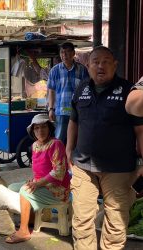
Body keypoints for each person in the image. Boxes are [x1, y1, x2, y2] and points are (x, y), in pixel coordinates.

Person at [66, 46, 143, 250]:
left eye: (106, 61)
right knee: (81, 219)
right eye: (96, 62)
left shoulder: (129, 91)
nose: (101, 66)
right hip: (83, 165)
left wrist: (142, 161)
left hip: (118, 168)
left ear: (114, 65)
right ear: (88, 65)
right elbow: (74, 121)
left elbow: (140, 130)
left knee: (115, 222)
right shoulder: (81, 88)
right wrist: (68, 148)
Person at [6, 113, 70, 244]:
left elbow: (59, 172)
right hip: (43, 185)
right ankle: (31, 218)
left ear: (49, 128)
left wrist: (38, 183)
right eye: (36, 128)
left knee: (24, 190)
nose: (40, 131)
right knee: (12, 188)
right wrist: (35, 181)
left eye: (44, 127)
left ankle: (24, 231)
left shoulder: (56, 144)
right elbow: (39, 170)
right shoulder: (35, 145)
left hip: (58, 190)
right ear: (33, 131)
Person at [47, 42, 89, 144]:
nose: (64, 55)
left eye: (67, 52)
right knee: (59, 140)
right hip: (61, 112)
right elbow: (51, 91)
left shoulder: (82, 70)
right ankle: (59, 159)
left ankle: (73, 160)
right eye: (62, 52)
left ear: (73, 53)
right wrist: (51, 109)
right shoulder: (54, 71)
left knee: (76, 140)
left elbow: (86, 90)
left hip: (78, 111)